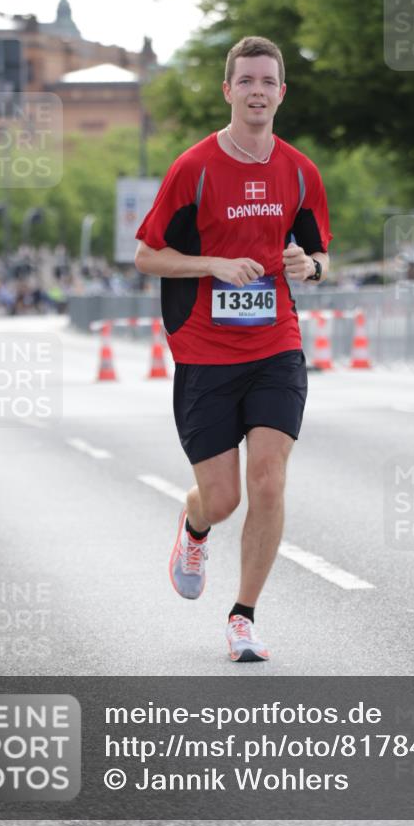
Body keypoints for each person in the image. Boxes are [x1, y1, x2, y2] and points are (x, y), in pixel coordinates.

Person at [134, 36, 332, 662]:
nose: (256, 91)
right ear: (228, 91)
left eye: (267, 81)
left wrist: (311, 267)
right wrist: (211, 263)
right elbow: (146, 256)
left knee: (269, 483)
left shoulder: (301, 172)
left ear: (281, 92)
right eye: (245, 80)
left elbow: (319, 251)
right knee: (223, 499)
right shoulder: (193, 168)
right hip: (205, 354)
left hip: (276, 346)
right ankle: (195, 528)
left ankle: (243, 616)